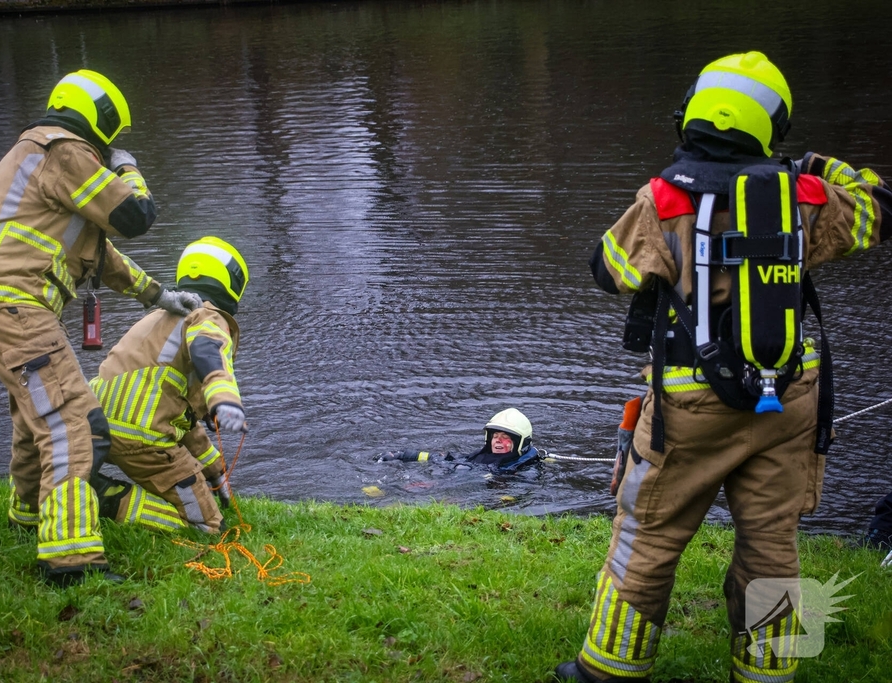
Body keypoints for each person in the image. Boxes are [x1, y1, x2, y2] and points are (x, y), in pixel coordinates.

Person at [554, 52, 892, 683]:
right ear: (772, 126)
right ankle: (768, 674)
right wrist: (820, 166)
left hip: (689, 406)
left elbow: (609, 270)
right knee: (773, 547)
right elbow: (880, 207)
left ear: (692, 115)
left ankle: (605, 671)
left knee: (648, 537)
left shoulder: (663, 200)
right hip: (789, 399)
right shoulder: (806, 196)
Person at [0, 70, 202, 587]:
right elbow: (135, 216)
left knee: (35, 413)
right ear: (97, 119)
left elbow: (100, 252)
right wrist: (128, 168)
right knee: (73, 422)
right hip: (15, 299)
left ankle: (26, 515)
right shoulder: (64, 150)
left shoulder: (33, 155)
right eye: (110, 138)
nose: (109, 148)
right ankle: (71, 559)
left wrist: (158, 295)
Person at [88, 236, 249, 536]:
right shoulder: (208, 317)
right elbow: (207, 351)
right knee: (208, 527)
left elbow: (179, 415)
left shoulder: (159, 318)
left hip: (94, 420)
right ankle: (107, 501)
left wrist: (215, 474)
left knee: (194, 494)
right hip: (141, 434)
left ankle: (94, 492)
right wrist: (224, 398)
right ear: (232, 282)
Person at [379, 408, 539, 474]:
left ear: (520, 443)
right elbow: (446, 458)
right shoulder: (482, 455)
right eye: (495, 436)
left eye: (505, 438)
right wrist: (403, 455)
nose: (498, 441)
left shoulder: (526, 470)